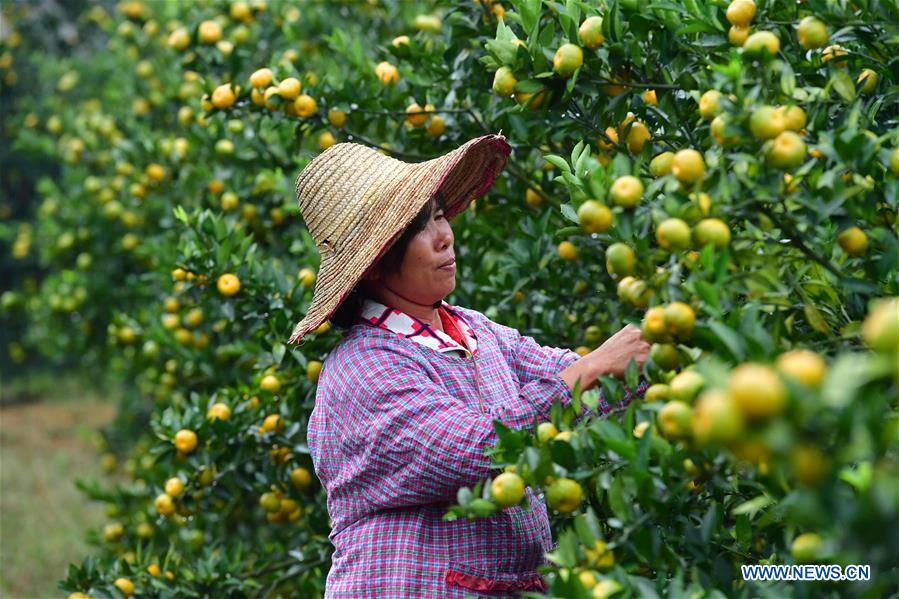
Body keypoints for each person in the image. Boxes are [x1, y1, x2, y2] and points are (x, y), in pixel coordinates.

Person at [286, 134, 650, 598]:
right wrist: (597, 367)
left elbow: (567, 378)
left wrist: (666, 349)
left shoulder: (474, 330)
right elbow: (479, 450)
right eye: (418, 228)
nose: (443, 236)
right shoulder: (362, 370)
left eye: (439, 215)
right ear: (374, 265)